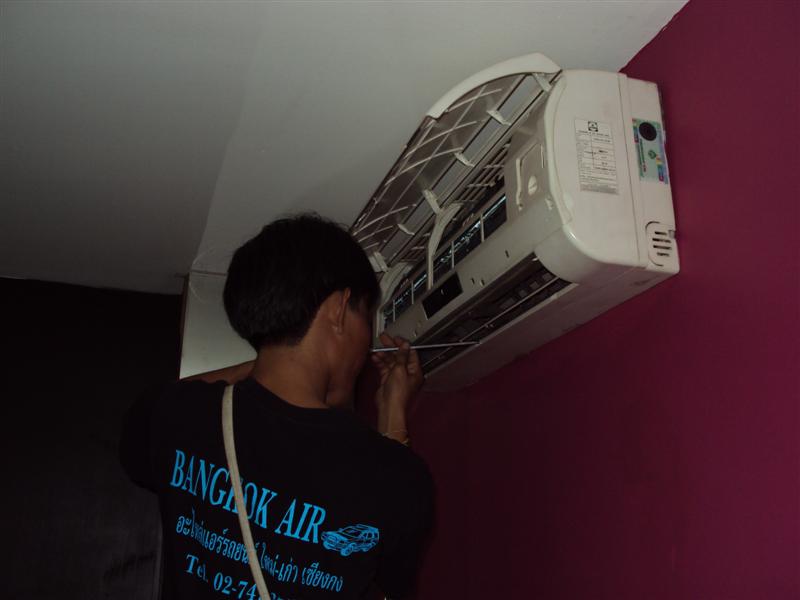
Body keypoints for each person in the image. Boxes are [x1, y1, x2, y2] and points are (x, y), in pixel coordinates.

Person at [120, 214, 433, 599]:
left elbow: (144, 428)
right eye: (366, 317)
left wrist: (267, 360)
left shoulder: (173, 415)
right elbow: (385, 585)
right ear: (339, 308)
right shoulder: (398, 475)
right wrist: (393, 414)